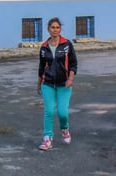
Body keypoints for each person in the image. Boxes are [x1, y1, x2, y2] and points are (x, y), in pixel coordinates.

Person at [37, 17, 78, 150]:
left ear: (60, 29)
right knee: (49, 111)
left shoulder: (67, 44)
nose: (55, 30)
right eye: (52, 27)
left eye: (57, 27)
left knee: (62, 112)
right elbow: (41, 67)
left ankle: (64, 129)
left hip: (64, 84)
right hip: (47, 83)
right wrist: (39, 84)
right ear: (48, 29)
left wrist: (70, 79)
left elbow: (73, 64)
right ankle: (47, 139)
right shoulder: (44, 47)